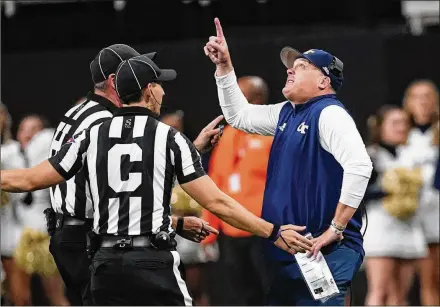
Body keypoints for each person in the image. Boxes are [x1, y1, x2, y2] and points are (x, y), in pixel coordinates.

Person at [0, 54, 313, 305]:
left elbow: (27, 180)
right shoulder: (168, 138)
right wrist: (271, 231)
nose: (163, 90)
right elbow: (217, 202)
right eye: (159, 85)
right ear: (149, 91)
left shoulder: (91, 136)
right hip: (151, 261)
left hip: (106, 263)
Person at [203, 18, 373, 306]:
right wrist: (224, 68)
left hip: (322, 249)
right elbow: (239, 116)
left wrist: (337, 227)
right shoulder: (287, 112)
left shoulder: (329, 114)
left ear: (324, 81)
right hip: (292, 248)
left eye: (302, 66)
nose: (290, 69)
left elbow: (361, 166)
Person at [46, 44, 223, 306]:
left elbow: (127, 180)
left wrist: (191, 149)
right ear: (115, 81)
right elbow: (121, 187)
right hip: (87, 234)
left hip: (74, 232)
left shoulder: (81, 111)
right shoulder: (105, 121)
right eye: (133, 70)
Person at [201, 75, 273, 305]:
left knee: (272, 290)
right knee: (241, 293)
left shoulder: (273, 131)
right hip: (231, 228)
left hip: (265, 227)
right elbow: (214, 182)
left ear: (259, 98)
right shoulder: (228, 134)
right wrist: (209, 231)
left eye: (241, 94)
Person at [362, 105, 427, 306]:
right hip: (380, 229)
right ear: (380, 127)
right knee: (379, 292)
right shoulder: (370, 155)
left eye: (404, 123)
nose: (401, 128)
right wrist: (385, 192)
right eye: (395, 123)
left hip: (408, 228)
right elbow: (356, 193)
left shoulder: (411, 157)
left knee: (399, 298)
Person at [402, 80, 440, 306]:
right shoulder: (401, 131)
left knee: (433, 279)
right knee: (406, 283)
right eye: (417, 96)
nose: (423, 102)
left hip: (436, 211)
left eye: (428, 96)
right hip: (408, 215)